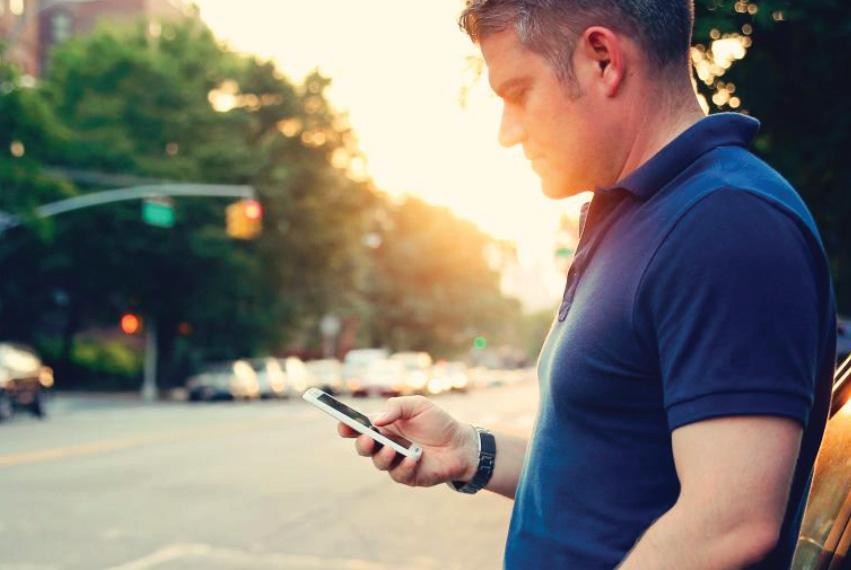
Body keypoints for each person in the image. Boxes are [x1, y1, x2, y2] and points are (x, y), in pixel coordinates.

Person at [337, 1, 837, 568]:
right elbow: (611, 476)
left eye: (518, 92)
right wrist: (471, 452)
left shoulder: (728, 222)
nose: (507, 133)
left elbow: (728, 524)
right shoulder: (641, 214)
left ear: (602, 60)